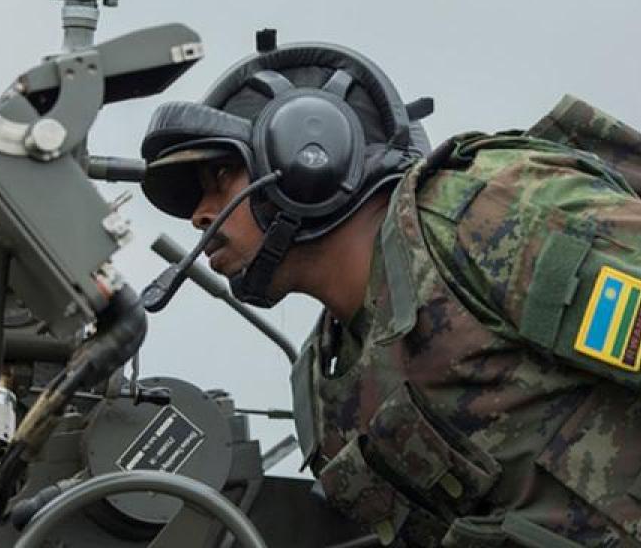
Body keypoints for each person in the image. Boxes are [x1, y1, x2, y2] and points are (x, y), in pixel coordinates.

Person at [139, 31, 641, 547]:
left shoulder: (483, 218)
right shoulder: (328, 392)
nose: (201, 216)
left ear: (307, 155)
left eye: (220, 177)